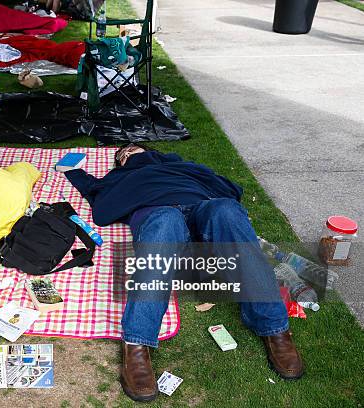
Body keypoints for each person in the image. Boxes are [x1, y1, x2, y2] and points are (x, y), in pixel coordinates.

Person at [64, 143, 304, 402]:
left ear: (150, 151)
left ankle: (274, 327)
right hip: (159, 216)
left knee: (226, 209)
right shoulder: (119, 177)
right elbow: (97, 200)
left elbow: (228, 189)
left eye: (132, 149)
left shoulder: (181, 167)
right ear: (119, 164)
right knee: (166, 220)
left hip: (203, 212)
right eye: (122, 155)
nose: (128, 153)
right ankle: (136, 343)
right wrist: (73, 171)